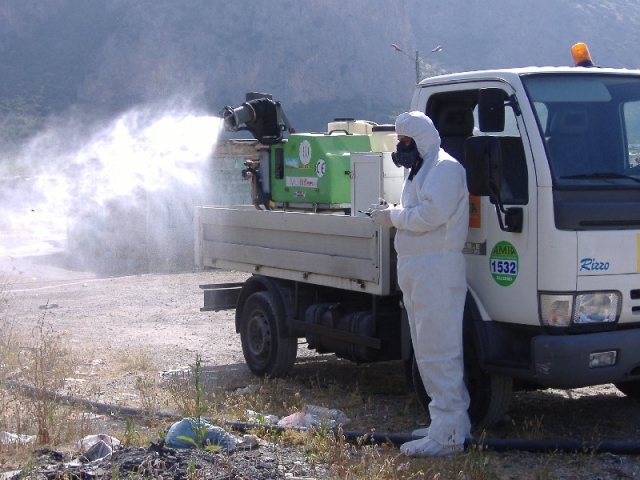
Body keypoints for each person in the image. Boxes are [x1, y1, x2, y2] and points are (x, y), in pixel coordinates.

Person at [370, 111, 471, 457]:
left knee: (441, 351)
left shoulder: (445, 169)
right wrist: (394, 211)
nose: (400, 148)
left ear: (422, 140)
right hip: (420, 271)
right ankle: (442, 422)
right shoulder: (420, 172)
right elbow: (417, 211)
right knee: (426, 350)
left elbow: (430, 216)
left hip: (437, 271)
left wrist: (392, 216)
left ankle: (449, 436)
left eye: (405, 142)